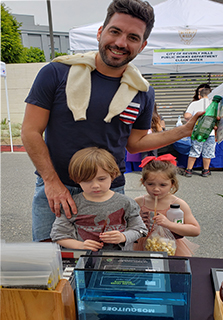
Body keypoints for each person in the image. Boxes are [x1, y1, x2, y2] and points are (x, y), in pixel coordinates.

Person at [21, 0, 202, 242]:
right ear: (100, 32)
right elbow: (31, 131)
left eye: (132, 37)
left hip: (109, 192)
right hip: (56, 187)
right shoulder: (56, 73)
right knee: (48, 260)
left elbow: (135, 143)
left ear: (143, 44)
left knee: (104, 264)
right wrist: (51, 181)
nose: (120, 43)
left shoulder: (142, 91)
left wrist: (183, 131)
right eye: (115, 31)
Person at [50, 147, 147, 251]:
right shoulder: (72, 205)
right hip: (84, 258)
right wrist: (79, 245)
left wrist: (123, 237)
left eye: (101, 179)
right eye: (87, 180)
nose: (95, 185)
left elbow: (140, 229)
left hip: (118, 258)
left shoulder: (126, 203)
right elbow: (58, 235)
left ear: (113, 175)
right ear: (77, 179)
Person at [134, 155, 200, 256]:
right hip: (143, 247)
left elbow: (195, 230)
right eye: (150, 184)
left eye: (162, 185)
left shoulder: (178, 204)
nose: (156, 189)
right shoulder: (138, 203)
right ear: (143, 182)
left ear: (172, 183)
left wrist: (168, 224)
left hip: (170, 247)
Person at [184, 87, 215, 177]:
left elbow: (187, 116)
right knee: (208, 152)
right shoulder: (214, 104)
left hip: (198, 132)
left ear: (199, 96)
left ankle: (189, 170)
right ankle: (205, 170)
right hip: (210, 132)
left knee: (194, 150)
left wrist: (196, 119)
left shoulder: (194, 103)